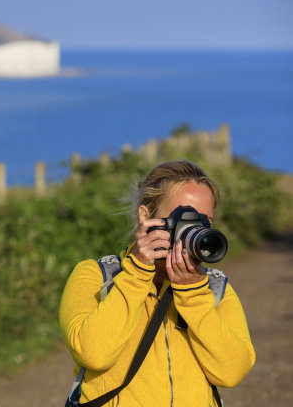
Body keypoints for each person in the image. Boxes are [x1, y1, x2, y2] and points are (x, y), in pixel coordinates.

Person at [59, 160, 255, 406]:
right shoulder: (97, 276)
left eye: (204, 221)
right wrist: (137, 273)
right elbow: (93, 354)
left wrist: (193, 296)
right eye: (184, 219)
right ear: (145, 216)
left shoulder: (215, 289)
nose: (195, 231)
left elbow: (232, 372)